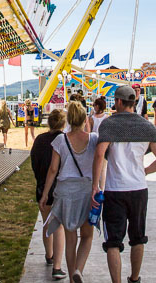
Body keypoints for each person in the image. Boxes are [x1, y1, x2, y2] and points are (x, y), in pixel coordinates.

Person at [91, 85, 156, 283]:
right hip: (139, 189)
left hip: (115, 189)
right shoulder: (147, 126)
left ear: (118, 102)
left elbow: (100, 154)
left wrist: (94, 186)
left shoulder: (108, 125)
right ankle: (134, 278)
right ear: (133, 103)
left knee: (113, 242)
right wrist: (144, 171)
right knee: (138, 237)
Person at [40, 102, 99, 283]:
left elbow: (52, 169)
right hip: (87, 191)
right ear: (84, 119)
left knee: (70, 238)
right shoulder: (94, 139)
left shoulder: (60, 140)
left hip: (65, 192)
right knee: (87, 236)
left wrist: (45, 194)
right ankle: (78, 270)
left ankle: (72, 277)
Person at [31, 109, 67, 279]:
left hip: (42, 186)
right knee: (58, 225)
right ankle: (57, 266)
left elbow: (34, 162)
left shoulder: (39, 140)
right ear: (63, 123)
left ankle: (49, 255)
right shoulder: (64, 140)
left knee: (47, 223)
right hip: (59, 188)